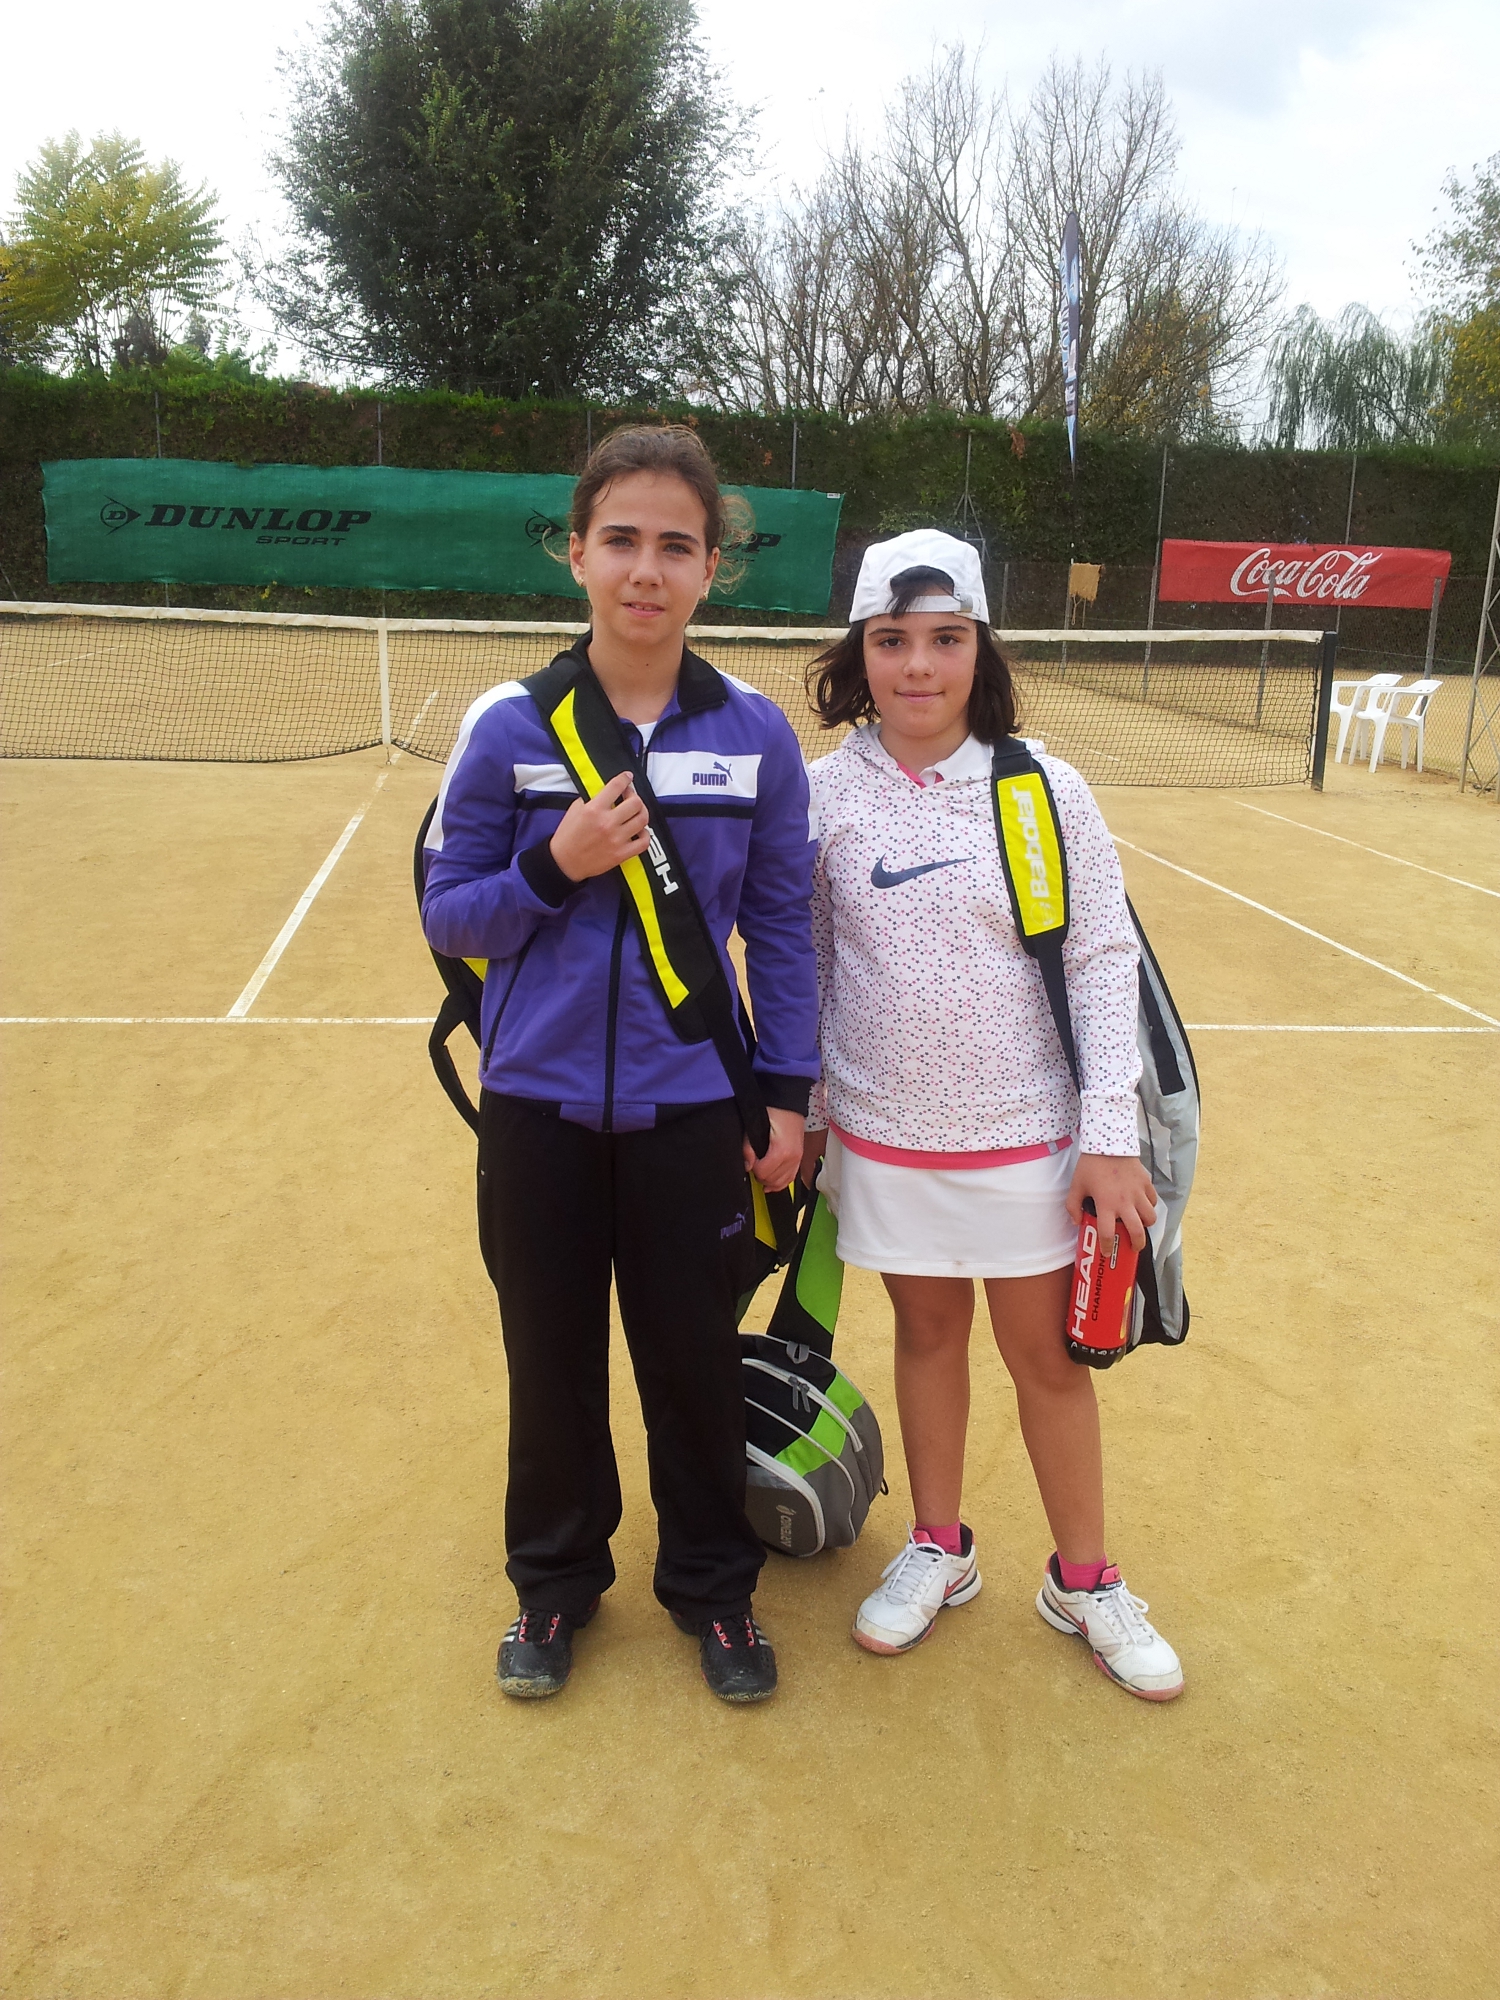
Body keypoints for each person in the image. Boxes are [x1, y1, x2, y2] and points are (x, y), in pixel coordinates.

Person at [422, 425, 817, 1704]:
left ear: (712, 569)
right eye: (623, 540)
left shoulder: (756, 733)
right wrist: (557, 863)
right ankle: (553, 1581)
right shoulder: (508, 727)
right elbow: (451, 914)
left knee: (692, 1363)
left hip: (693, 1111)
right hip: (534, 1107)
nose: (648, 569)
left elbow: (783, 928)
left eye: (677, 545)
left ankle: (714, 1589)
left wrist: (787, 1095)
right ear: (578, 553)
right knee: (549, 1360)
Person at [801, 529, 1183, 1700]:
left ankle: (1086, 1578)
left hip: (1029, 1140)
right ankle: (939, 1544)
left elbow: (1103, 959)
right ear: (859, 653)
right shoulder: (824, 793)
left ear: (981, 649)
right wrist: (809, 1113)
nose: (918, 665)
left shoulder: (1041, 788)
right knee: (925, 1336)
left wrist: (1108, 1134)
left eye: (945, 638)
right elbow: (807, 962)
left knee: (1047, 1361)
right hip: (883, 1136)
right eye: (892, 640)